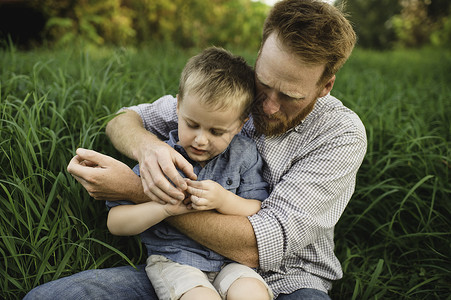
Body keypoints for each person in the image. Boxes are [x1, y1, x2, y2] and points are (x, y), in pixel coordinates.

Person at [25, 0, 367, 299]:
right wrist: (148, 148)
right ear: (260, 55)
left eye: (290, 96)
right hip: (182, 266)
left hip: (288, 281)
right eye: (264, 84)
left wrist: (138, 189)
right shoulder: (231, 92)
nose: (269, 106)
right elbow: (122, 120)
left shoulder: (341, 135)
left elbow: (254, 247)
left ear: (325, 86)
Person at [106, 47, 273, 300]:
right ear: (178, 107)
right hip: (176, 261)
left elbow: (256, 208)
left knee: (252, 293)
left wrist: (223, 200)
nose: (201, 140)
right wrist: (163, 209)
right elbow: (115, 222)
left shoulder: (244, 155)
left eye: (216, 132)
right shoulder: (160, 159)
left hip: (230, 262)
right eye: (192, 125)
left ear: (241, 124)